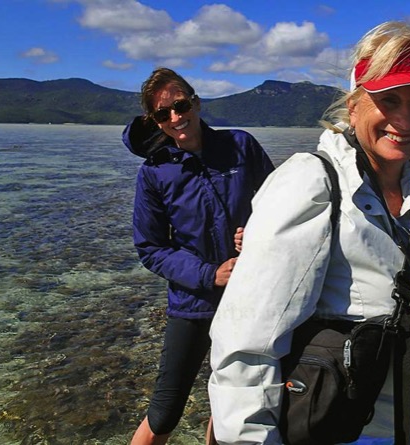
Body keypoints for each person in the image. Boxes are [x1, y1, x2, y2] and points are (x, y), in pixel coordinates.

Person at [208, 21, 410, 444]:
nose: (405, 119)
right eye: (388, 99)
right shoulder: (311, 183)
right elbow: (246, 343)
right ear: (355, 104)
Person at [123, 67, 275, 445]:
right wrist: (209, 275)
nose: (176, 117)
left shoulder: (242, 145)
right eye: (163, 114)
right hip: (194, 300)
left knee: (232, 401)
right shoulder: (155, 173)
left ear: (196, 102)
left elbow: (278, 204)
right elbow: (151, 248)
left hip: (250, 296)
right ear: (154, 121)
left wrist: (255, 230)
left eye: (181, 105)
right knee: (166, 408)